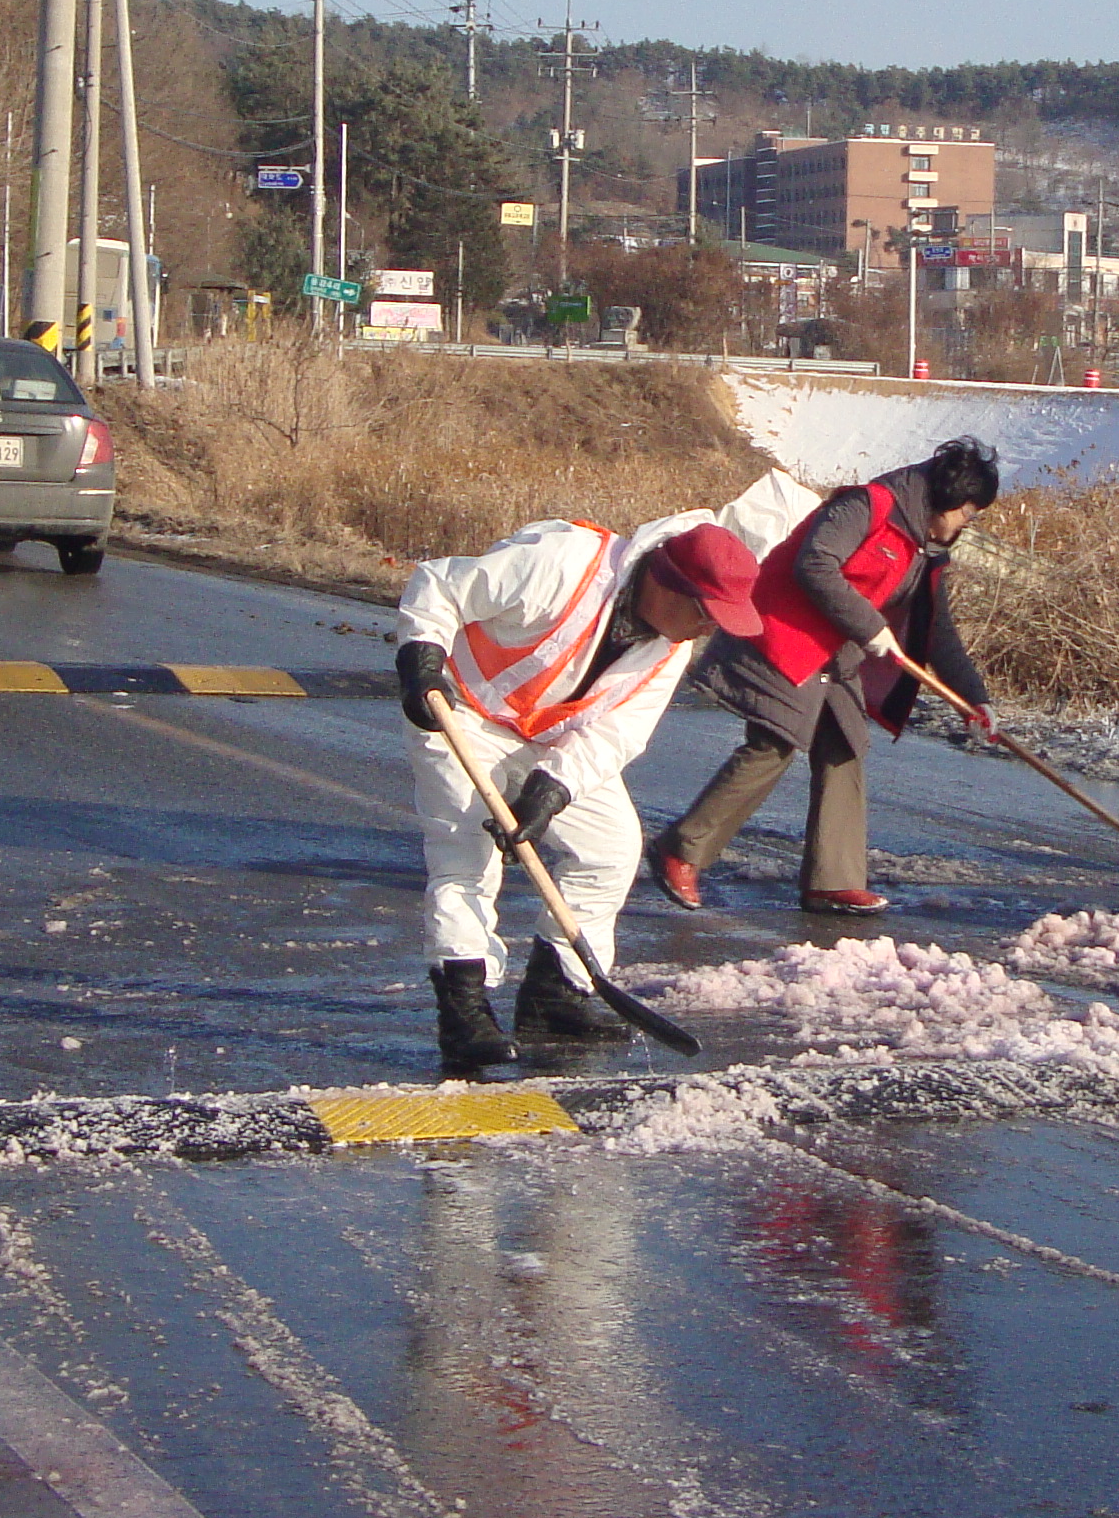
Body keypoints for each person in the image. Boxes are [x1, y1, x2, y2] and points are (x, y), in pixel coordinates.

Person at [397, 510, 771, 1070]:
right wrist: (421, 658)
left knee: (611, 848)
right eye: (708, 614)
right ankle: (465, 1010)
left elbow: (618, 732)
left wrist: (552, 791)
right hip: (459, 710)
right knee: (466, 857)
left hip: (548, 738)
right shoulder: (565, 563)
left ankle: (557, 994)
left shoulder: (669, 647)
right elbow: (441, 584)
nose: (710, 630)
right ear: (668, 584)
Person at [655, 437, 1000, 918]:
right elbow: (814, 563)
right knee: (775, 741)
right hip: (780, 630)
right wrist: (870, 626)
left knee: (844, 743)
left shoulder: (924, 546)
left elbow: (936, 628)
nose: (967, 523)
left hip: (833, 652)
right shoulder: (868, 505)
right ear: (948, 497)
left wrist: (975, 698)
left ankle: (833, 881)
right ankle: (681, 850)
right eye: (968, 512)